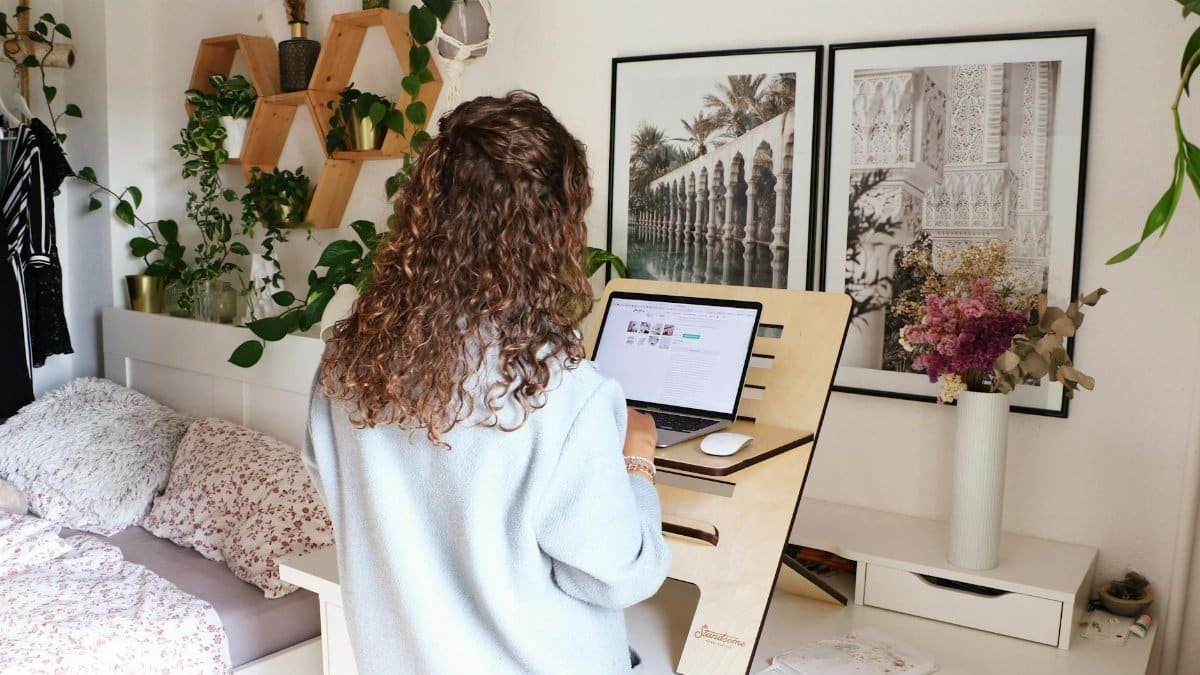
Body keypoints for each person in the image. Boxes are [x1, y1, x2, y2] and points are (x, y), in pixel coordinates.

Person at [304, 91, 670, 675]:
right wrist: (638, 462)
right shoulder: (563, 393)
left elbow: (355, 503)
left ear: (426, 211)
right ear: (554, 230)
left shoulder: (348, 363)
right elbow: (619, 576)